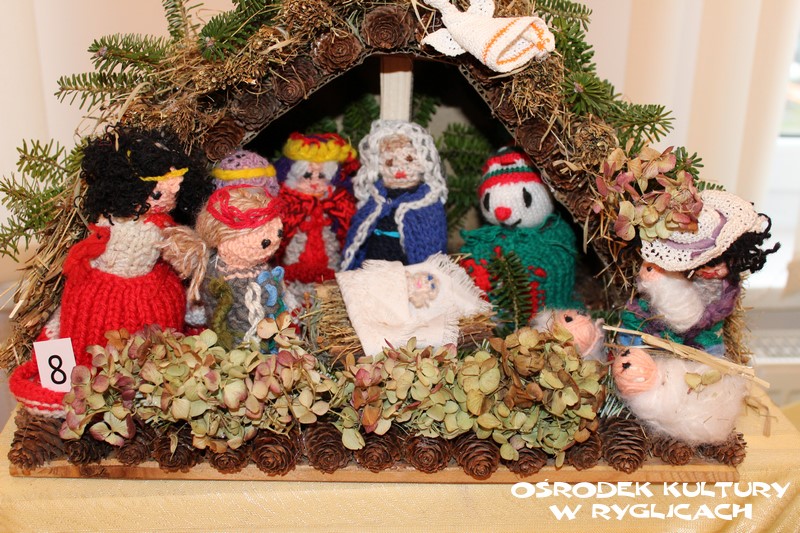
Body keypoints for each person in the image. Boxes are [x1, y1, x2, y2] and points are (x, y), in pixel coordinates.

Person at [341, 120, 448, 270]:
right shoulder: (375, 197)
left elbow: (433, 244)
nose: (399, 169)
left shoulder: (428, 203)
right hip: (373, 264)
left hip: (406, 270)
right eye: (390, 163)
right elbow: (358, 235)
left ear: (423, 162)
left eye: (409, 159)